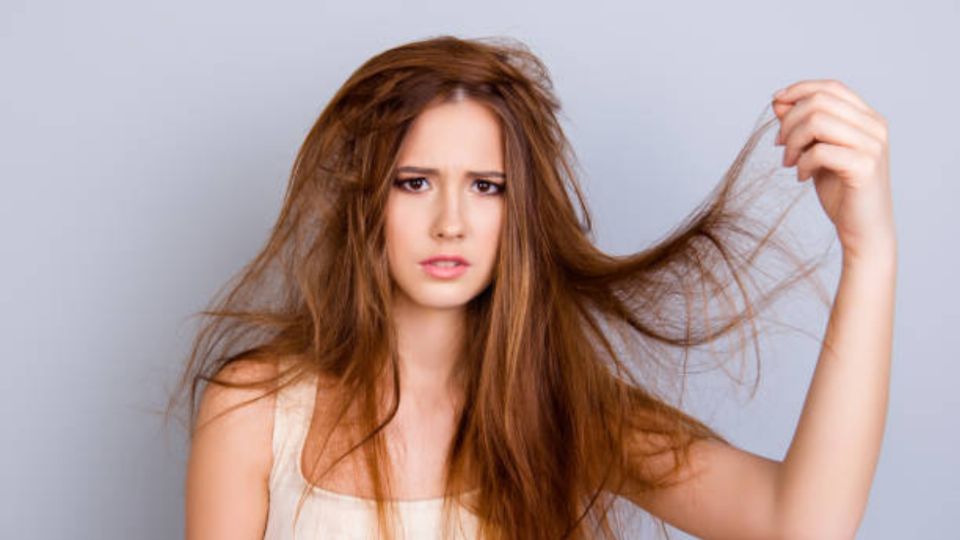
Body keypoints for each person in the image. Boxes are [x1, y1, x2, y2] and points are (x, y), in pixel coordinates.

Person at [171, 35, 896, 540]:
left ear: (520, 212)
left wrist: (870, 252)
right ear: (366, 199)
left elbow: (799, 523)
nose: (451, 222)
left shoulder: (565, 413)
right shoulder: (255, 412)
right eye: (415, 182)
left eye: (487, 187)